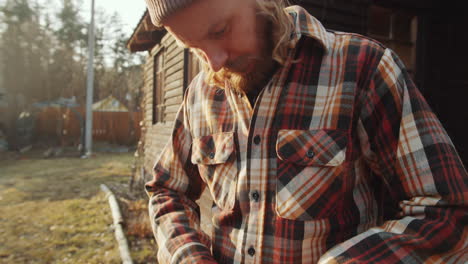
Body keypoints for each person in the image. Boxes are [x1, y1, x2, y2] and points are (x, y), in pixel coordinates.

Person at [142, 0, 468, 263]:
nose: (214, 62)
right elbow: (167, 190)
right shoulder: (200, 93)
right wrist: (188, 256)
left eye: (220, 30)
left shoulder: (363, 69)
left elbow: (447, 210)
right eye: (194, 47)